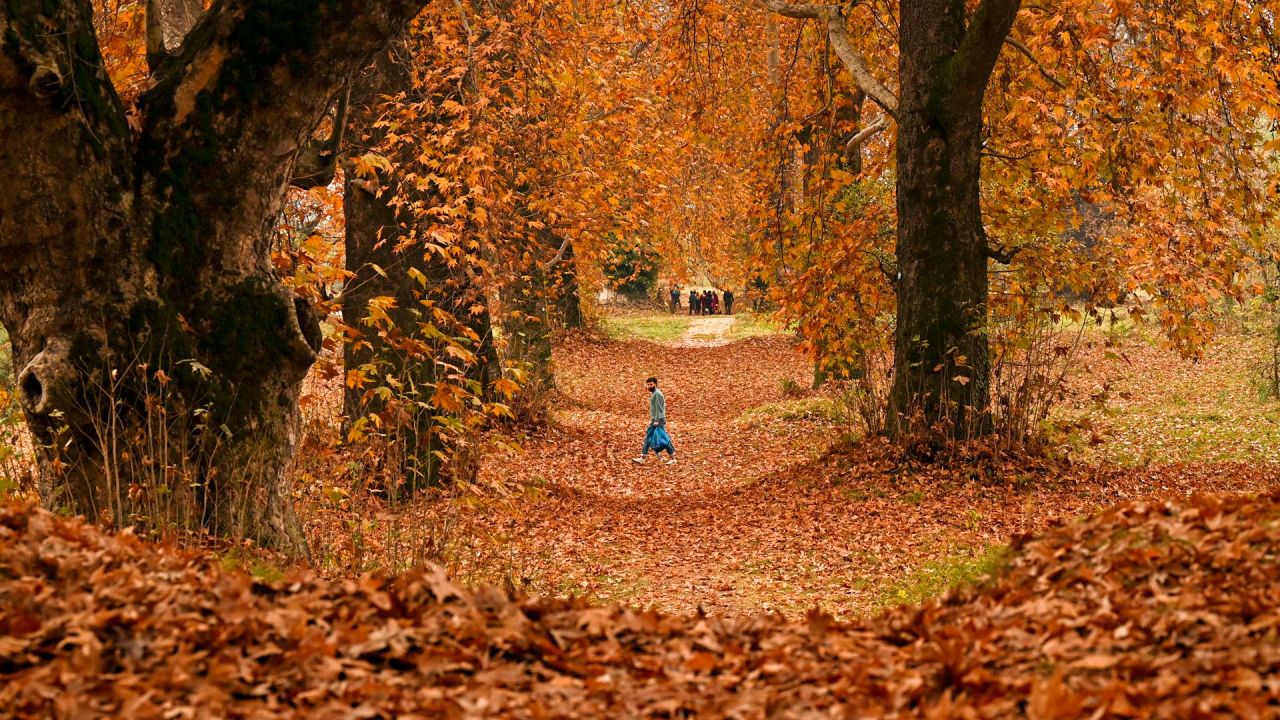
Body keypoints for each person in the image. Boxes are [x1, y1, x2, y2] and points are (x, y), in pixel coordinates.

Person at [634, 376, 676, 464]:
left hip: (658, 420)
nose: (649, 386)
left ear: (655, 384)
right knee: (653, 437)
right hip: (657, 419)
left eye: (651, 384)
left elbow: (658, 408)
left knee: (661, 438)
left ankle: (672, 458)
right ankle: (643, 457)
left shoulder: (657, 394)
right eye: (648, 384)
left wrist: (656, 420)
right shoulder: (655, 393)